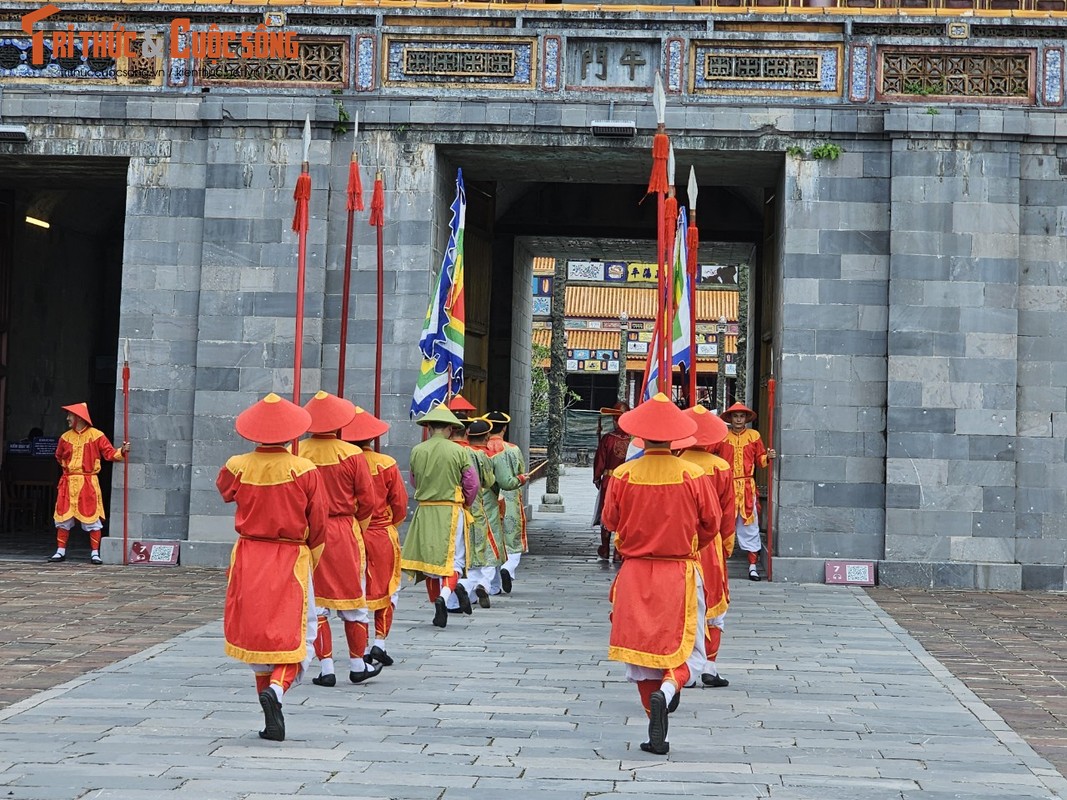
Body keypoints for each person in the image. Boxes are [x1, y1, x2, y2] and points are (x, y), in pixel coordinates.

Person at [602, 393, 721, 755]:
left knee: (641, 654)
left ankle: (656, 723)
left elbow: (610, 521)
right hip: (679, 572)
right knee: (688, 650)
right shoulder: (694, 474)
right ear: (674, 437)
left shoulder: (623, 474)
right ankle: (669, 691)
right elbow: (711, 524)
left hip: (635, 573)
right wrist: (685, 542)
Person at [216, 392, 328, 742]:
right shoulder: (304, 469)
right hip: (290, 556)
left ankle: (269, 720)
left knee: (258, 637)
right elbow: (319, 523)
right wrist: (315, 558)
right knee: (300, 635)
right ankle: (277, 691)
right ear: (290, 432)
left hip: (249, 556)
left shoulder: (236, 465)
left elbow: (224, 490)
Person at [300, 391, 382, 687]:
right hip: (345, 530)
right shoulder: (352, 454)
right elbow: (368, 500)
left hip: (311, 534)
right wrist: (359, 525)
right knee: (354, 600)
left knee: (317, 604)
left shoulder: (298, 452)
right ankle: (358, 664)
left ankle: (326, 668)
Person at [340, 407, 408, 668]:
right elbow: (400, 503)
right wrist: (390, 523)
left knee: (353, 593)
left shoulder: (340, 462)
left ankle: (349, 653)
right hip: (380, 532)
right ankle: (378, 642)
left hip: (348, 534)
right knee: (388, 589)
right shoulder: (386, 463)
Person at [400, 404, 479, 628]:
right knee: (454, 560)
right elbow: (471, 484)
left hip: (424, 510)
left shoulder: (417, 450)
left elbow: (414, 481)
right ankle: (444, 597)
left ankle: (441, 595)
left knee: (430, 560)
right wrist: (466, 502)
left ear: (429, 427)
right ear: (449, 429)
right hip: (450, 510)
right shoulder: (459, 451)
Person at [675, 405, 735, 688]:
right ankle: (709, 664)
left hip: (680, 544)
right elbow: (726, 512)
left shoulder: (676, 465)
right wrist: (726, 545)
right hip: (709, 546)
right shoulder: (721, 467)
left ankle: (684, 668)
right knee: (714, 607)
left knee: (684, 607)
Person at [49, 403, 128, 565]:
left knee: (92, 518)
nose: (67, 418)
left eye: (70, 415)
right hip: (69, 482)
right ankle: (60, 551)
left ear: (78, 417)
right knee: (63, 516)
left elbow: (110, 453)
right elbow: (59, 456)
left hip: (88, 482)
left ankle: (94, 553)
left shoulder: (96, 435)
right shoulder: (65, 437)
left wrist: (122, 451)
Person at [714, 402, 776, 582]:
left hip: (747, 487)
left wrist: (768, 457)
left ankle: (752, 566)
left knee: (750, 527)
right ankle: (720, 565)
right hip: (727, 488)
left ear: (746, 419)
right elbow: (709, 452)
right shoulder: (722, 436)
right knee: (723, 525)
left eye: (741, 416)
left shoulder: (754, 435)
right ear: (731, 419)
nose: (738, 419)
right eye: (735, 416)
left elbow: (760, 459)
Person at [455, 418, 506, 610]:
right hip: (478, 505)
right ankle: (479, 585)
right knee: (485, 549)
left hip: (453, 507)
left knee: (461, 550)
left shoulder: (457, 452)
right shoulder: (483, 456)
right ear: (486, 437)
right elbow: (488, 480)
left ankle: (460, 586)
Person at [484, 411, 528, 593]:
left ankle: (493, 585)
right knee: (513, 538)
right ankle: (507, 568)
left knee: (491, 539)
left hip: (488, 499)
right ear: (504, 428)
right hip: (510, 498)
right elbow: (520, 471)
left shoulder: (482, 449)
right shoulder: (512, 449)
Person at [592, 402, 630, 561]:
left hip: (610, 480)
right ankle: (619, 550)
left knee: (607, 511)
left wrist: (597, 477)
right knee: (625, 514)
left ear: (615, 420)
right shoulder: (634, 440)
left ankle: (605, 547)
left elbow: (600, 460)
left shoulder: (608, 439)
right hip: (629, 481)